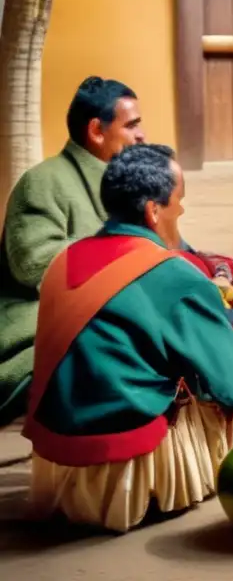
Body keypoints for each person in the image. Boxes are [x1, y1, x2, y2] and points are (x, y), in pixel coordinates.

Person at [22, 143, 233, 533]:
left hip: (57, 453)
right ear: (153, 211)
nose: (180, 211)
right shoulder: (173, 273)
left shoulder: (63, 260)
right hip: (125, 461)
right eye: (178, 201)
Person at [0, 77, 145, 426]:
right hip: (38, 326)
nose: (141, 135)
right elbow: (33, 262)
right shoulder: (43, 181)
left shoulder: (128, 181)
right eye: (132, 126)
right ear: (96, 131)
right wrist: (122, 256)